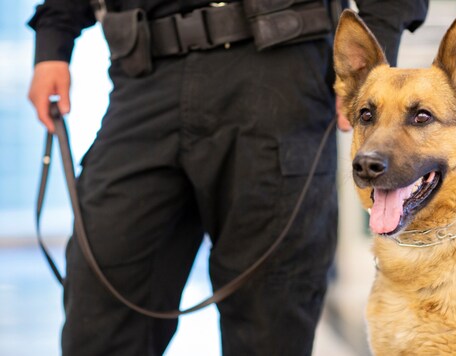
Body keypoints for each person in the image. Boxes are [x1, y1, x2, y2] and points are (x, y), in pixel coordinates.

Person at [27, 0, 429, 354]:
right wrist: (53, 38)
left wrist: (365, 65)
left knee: (271, 316)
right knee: (100, 312)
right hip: (143, 73)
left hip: (277, 75)